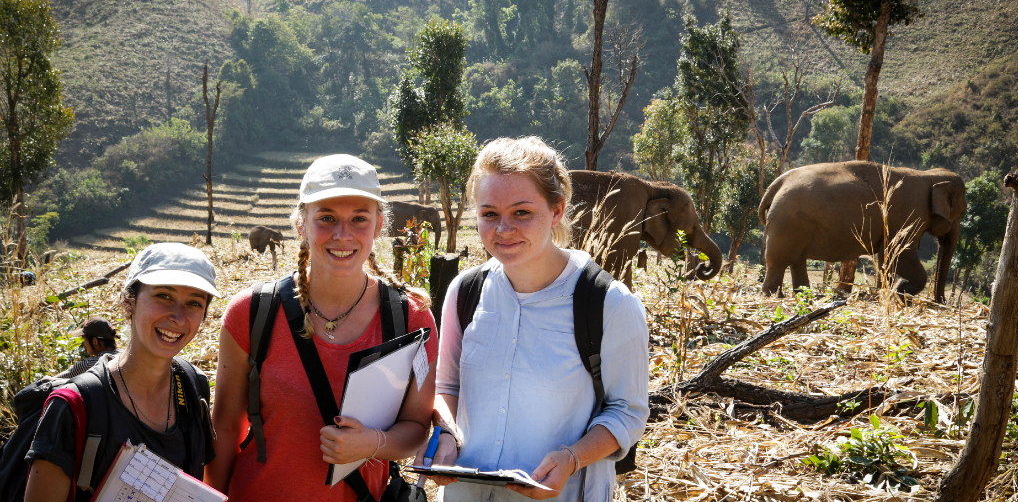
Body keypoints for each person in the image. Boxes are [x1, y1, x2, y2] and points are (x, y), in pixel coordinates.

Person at [418, 137, 650, 501]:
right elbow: (448, 386)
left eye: (521, 212)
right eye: (489, 214)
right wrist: (445, 433)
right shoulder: (465, 292)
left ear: (556, 210)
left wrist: (572, 459)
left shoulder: (609, 303)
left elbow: (627, 412)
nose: (503, 229)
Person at [205, 154, 438, 501]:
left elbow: (417, 428)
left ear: (378, 226)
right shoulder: (252, 313)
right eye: (326, 218)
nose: (342, 235)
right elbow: (225, 429)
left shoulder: (410, 318)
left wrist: (373, 443)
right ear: (301, 224)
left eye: (359, 219)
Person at [24, 243, 221, 502]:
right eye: (164, 296)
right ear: (128, 303)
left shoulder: (194, 386)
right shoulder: (74, 406)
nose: (178, 317)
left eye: (194, 303)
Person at [56, 316, 121, 379]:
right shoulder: (124, 356)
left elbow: (51, 381)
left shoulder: (90, 364)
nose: (84, 343)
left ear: (95, 342)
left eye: (84, 339)